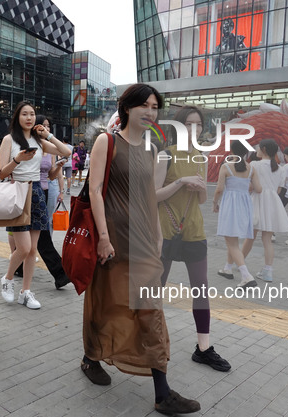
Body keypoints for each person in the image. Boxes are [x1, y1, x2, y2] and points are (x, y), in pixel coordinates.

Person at [82, 83, 200, 415]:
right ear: (127, 108)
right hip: (113, 240)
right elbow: (93, 191)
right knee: (106, 304)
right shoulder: (107, 141)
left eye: (155, 106)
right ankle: (91, 357)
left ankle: (162, 393)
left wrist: (159, 234)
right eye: (144, 105)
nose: (151, 112)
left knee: (150, 311)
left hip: (145, 241)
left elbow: (149, 195)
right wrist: (103, 237)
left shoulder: (149, 149)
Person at [155, 106, 231, 372]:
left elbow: (202, 198)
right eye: (189, 124)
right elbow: (152, 196)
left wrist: (199, 188)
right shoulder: (165, 156)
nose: (194, 129)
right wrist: (179, 182)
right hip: (164, 230)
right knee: (156, 289)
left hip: (193, 229)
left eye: (198, 125)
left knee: (201, 288)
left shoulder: (201, 157)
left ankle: (203, 348)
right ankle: (149, 341)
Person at [0, 101, 70, 309]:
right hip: (17, 192)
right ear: (17, 117)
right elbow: (2, 172)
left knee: (32, 250)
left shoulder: (39, 141)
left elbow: (65, 152)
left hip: (37, 192)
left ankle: (26, 292)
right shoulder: (9, 140)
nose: (29, 118)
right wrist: (17, 160)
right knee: (24, 247)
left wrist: (48, 135)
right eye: (24, 114)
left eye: (32, 114)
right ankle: (8, 279)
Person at [241, 139, 288, 282]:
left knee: (250, 236)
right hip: (272, 202)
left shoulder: (254, 165)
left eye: (257, 148)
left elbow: (250, 187)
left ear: (263, 149)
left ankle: (239, 263)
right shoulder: (281, 169)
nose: (255, 150)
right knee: (267, 239)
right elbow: (279, 190)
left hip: (257, 199)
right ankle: (268, 271)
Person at [214, 140, 262, 288]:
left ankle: (246, 276)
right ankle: (227, 268)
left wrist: (215, 202)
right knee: (233, 239)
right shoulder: (251, 168)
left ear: (232, 151)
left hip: (230, 205)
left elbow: (219, 189)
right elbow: (259, 189)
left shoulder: (226, 167)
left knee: (232, 242)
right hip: (245, 205)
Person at [34, 114, 70, 290]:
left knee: (38, 234)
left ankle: (18, 268)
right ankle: (60, 272)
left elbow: (51, 175)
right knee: (40, 234)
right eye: (43, 126)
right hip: (27, 193)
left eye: (48, 126)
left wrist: (59, 167)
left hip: (45, 192)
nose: (46, 129)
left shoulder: (47, 146)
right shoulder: (27, 143)